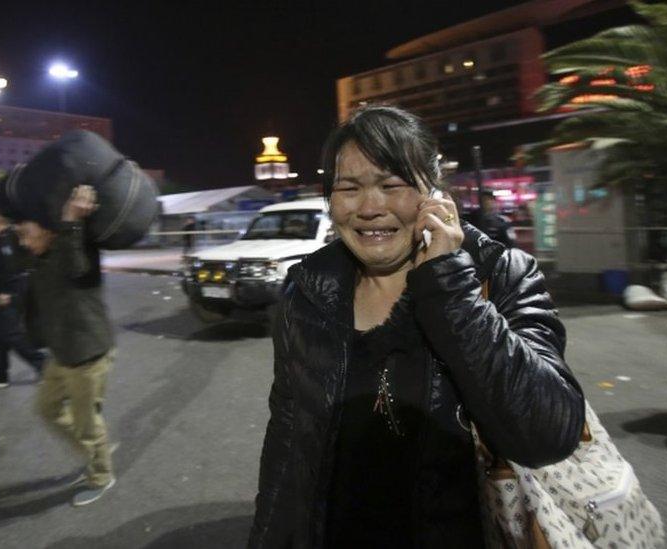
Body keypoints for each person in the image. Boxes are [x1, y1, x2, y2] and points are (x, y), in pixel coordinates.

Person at [248, 105, 585, 547]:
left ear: (435, 192)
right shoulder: (307, 291)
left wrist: (449, 287)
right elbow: (288, 437)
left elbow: (548, 434)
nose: (370, 208)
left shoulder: (501, 274)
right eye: (348, 188)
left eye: (393, 185)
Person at [17, 185, 117, 507]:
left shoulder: (74, 247)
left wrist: (72, 220)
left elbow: (78, 269)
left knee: (88, 423)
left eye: (28, 234)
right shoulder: (40, 256)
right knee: (46, 409)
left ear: (48, 231)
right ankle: (93, 452)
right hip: (61, 352)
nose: (24, 241)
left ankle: (102, 475)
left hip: (87, 354)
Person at [0, 209, 45, 391]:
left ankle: (42, 363)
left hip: (5, 297)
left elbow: (15, 269)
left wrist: (8, 292)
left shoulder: (10, 238)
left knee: (11, 334)